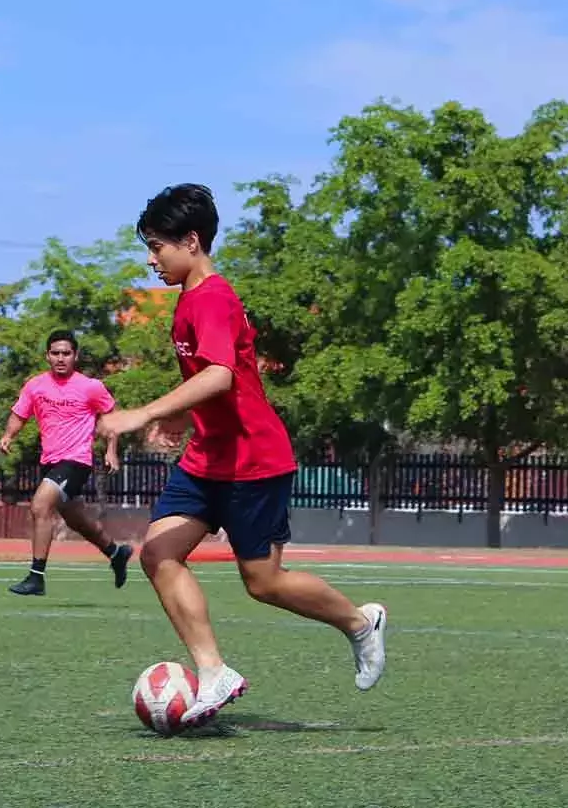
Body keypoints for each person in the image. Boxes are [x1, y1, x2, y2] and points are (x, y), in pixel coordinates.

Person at [97, 184, 387, 728]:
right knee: (158, 555)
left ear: (191, 240)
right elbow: (219, 380)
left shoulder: (213, 298)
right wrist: (179, 417)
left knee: (264, 583)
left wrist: (138, 413)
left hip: (254, 460)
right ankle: (214, 672)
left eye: (158, 246)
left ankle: (359, 623)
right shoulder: (188, 299)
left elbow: (221, 374)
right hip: (207, 458)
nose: (151, 257)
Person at [0, 329, 134, 596]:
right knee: (77, 521)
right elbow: (19, 414)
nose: (61, 358)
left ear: (76, 356)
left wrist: (111, 450)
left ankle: (36, 577)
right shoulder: (35, 385)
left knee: (40, 505)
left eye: (66, 353)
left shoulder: (90, 387)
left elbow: (111, 418)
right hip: (50, 461)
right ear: (47, 355)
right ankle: (116, 552)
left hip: (76, 461)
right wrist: (8, 435)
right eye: (55, 353)